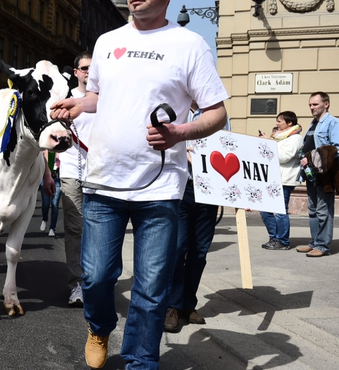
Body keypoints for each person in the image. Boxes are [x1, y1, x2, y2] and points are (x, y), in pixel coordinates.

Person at [50, 0, 229, 367]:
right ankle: (99, 326)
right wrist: (80, 104)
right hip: (103, 182)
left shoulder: (191, 45)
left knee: (150, 288)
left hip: (161, 188)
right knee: (96, 277)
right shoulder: (106, 42)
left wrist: (180, 132)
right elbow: (100, 96)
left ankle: (140, 360)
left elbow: (216, 112)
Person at [164, 101, 231, 333]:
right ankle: (171, 305)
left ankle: (187, 304)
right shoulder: (173, 107)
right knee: (178, 248)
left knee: (199, 251)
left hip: (209, 192)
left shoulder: (218, 114)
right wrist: (183, 152)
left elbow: (229, 149)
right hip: (180, 189)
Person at [57, 52, 94, 307]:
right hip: (71, 171)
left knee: (98, 230)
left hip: (100, 172)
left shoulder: (104, 99)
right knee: (74, 230)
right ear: (75, 71)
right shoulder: (65, 98)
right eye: (84, 68)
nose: (88, 72)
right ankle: (77, 285)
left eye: (93, 68)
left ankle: (97, 281)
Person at [296, 92, 339, 257]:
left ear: (326, 104)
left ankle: (322, 245)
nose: (311, 107)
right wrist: (304, 158)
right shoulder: (313, 124)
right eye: (310, 104)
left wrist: (312, 157)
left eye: (315, 104)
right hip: (311, 173)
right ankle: (314, 242)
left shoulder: (334, 123)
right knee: (312, 209)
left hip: (325, 175)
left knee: (323, 210)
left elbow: (338, 149)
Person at [258, 111, 303, 251]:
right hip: (272, 178)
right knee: (265, 209)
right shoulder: (279, 137)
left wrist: (269, 145)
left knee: (280, 211)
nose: (277, 123)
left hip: (284, 179)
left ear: (289, 123)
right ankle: (274, 237)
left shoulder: (296, 138)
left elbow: (284, 157)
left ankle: (282, 241)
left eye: (279, 121)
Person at [39, 151, 61, 237]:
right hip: (45, 178)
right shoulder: (44, 149)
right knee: (46, 203)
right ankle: (44, 219)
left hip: (57, 178)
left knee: (55, 204)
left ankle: (52, 228)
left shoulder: (61, 149)